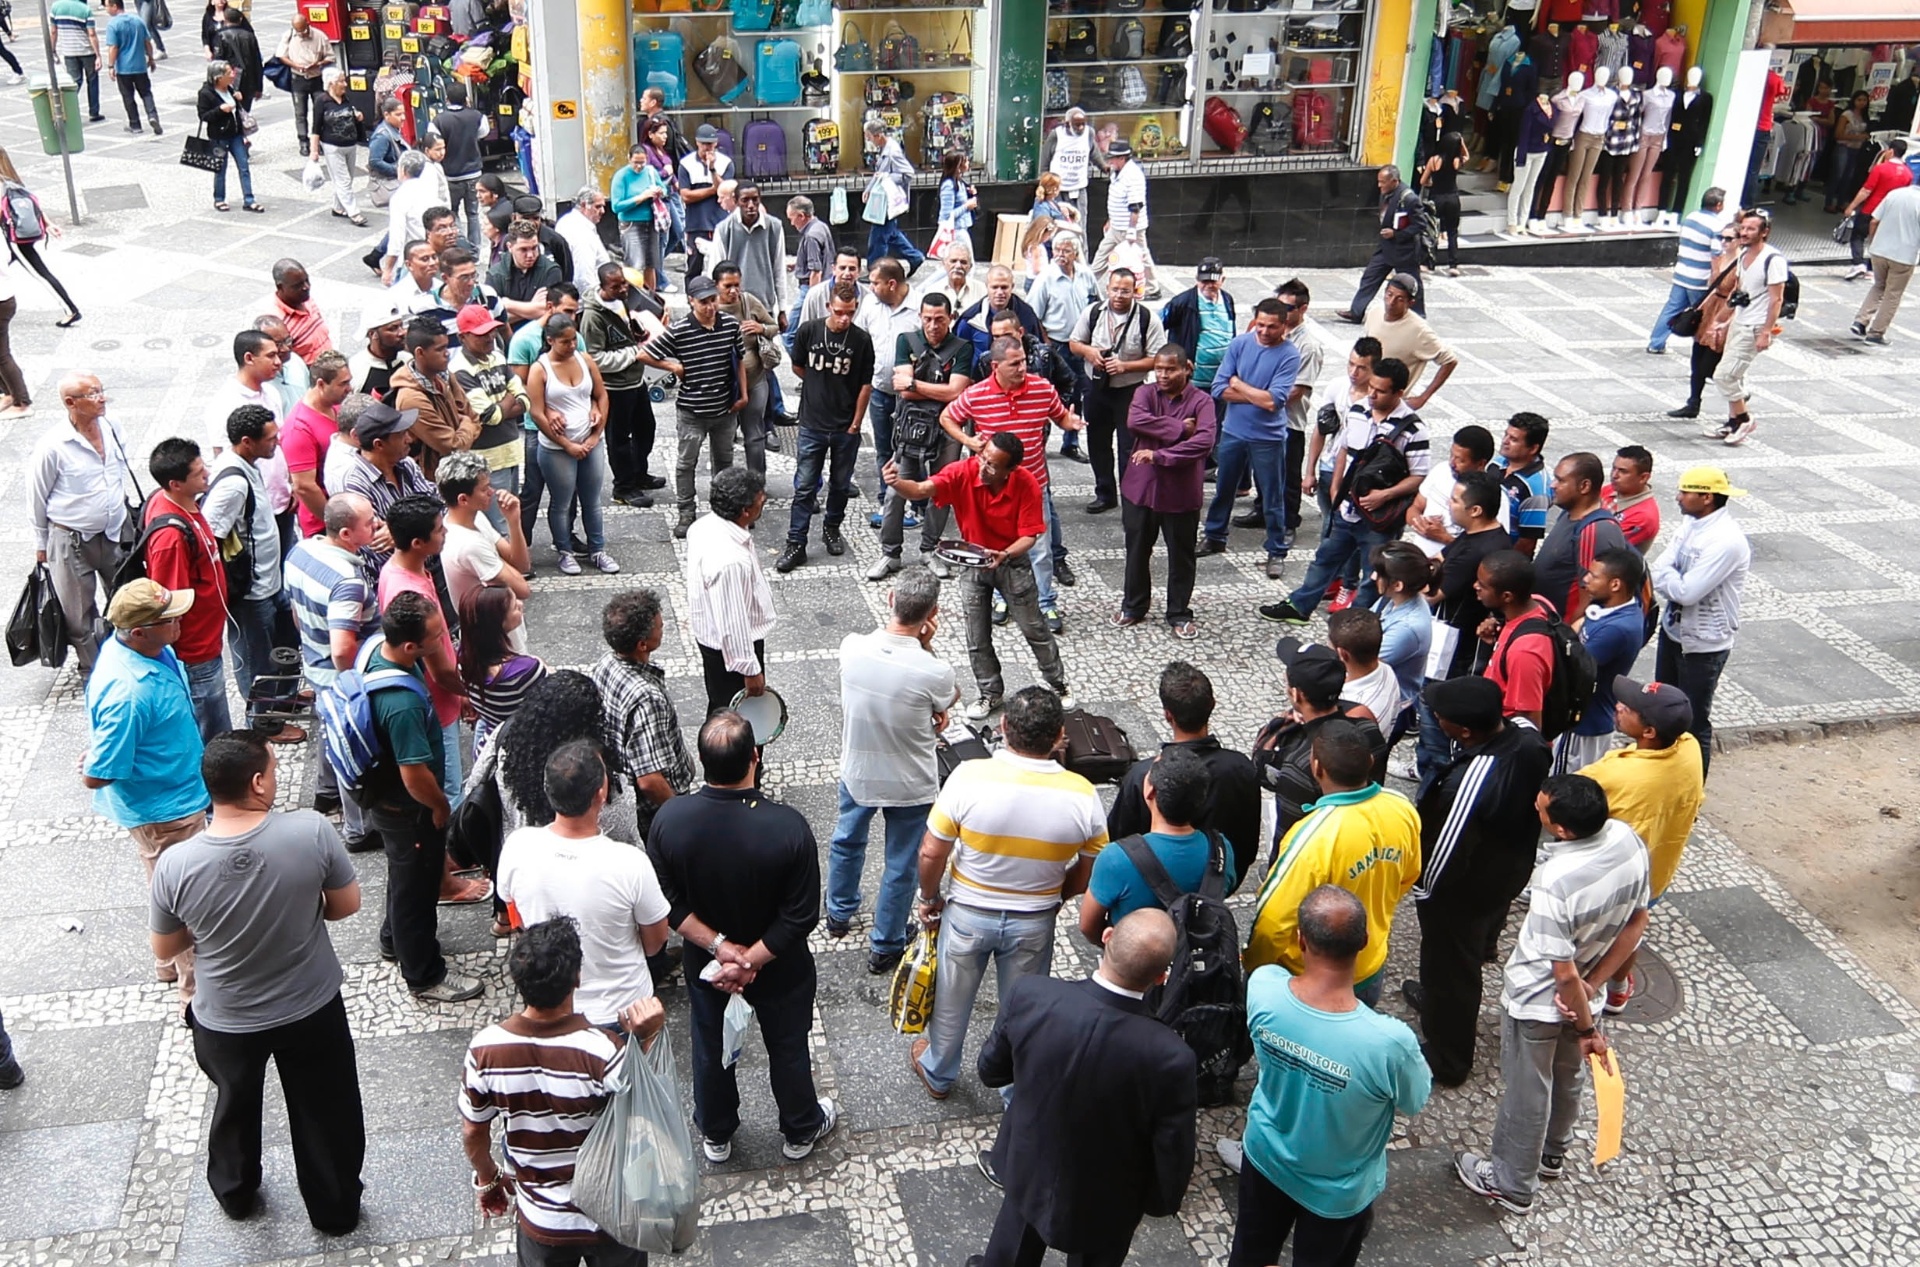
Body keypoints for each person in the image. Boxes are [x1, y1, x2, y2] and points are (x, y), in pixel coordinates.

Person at [151, 731, 364, 1233]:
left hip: (225, 1018)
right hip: (310, 1006)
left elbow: (165, 948)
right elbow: (346, 905)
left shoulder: (176, 863)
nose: (275, 776)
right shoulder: (311, 832)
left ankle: (236, 1192)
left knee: (234, 1106)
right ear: (257, 783)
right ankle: (334, 1209)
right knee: (325, 1109)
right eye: (272, 768)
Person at [648, 712, 839, 1163]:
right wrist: (750, 959)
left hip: (707, 965)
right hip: (780, 965)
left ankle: (715, 1132)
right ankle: (800, 1128)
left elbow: (664, 900)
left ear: (701, 761)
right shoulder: (788, 827)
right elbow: (801, 915)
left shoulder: (670, 819)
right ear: (755, 756)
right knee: (788, 1047)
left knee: (710, 1045)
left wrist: (720, 949)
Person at [1454, 774, 1649, 1214]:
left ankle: (1511, 1183)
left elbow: (1562, 974)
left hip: (1538, 1002)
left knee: (1528, 1091)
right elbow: (1638, 922)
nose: (1535, 809)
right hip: (1585, 997)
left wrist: (1586, 1025)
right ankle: (1552, 1153)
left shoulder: (1555, 879)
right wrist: (1593, 988)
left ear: (1561, 828)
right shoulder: (1627, 840)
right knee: (1568, 1075)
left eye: (1541, 809)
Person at [966, 909, 1197, 1267]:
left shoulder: (1031, 994)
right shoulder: (1171, 1056)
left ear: (1107, 937)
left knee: (1010, 1251)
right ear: (1161, 977)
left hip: (1029, 1161)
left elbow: (991, 1072)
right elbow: (1172, 1147)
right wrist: (1159, 1201)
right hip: (1110, 1195)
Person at [912, 686, 1108, 1101]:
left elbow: (931, 850)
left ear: (1003, 726)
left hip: (968, 915)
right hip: (1034, 920)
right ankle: (1013, 1089)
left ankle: (939, 1071)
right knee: (1022, 1008)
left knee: (950, 1000)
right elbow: (1090, 868)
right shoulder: (1083, 794)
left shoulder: (968, 777)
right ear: (1059, 736)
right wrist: (1055, 896)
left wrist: (929, 897)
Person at [1229, 887, 1430, 1267]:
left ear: (1301, 940)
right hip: (1337, 1192)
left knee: (1251, 1253)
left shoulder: (1265, 987)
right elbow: (1414, 1100)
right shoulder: (1389, 1043)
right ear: (1364, 941)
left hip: (1266, 1157)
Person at [460, 917, 665, 1265]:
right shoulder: (603, 1051)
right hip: (612, 1214)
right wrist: (649, 1037)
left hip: (542, 1221)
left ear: (517, 980)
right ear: (577, 978)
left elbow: (473, 1131)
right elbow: (647, 1113)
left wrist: (488, 1177)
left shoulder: (485, 1051)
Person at [1403, 675, 1551, 1086]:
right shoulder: (1526, 737)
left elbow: (1447, 848)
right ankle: (1446, 989)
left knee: (1451, 967)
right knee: (1479, 937)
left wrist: (1424, 891)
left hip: (1467, 888)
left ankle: (1448, 1058)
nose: (1435, 718)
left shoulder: (1472, 780)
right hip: (1511, 862)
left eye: (1440, 716)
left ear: (1464, 731)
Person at [883, 427, 1074, 716]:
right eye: (983, 458)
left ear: (1010, 470)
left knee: (1034, 628)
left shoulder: (1026, 483)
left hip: (1011, 562)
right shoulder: (962, 471)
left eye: (993, 465)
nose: (983, 467)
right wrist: (897, 483)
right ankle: (989, 693)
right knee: (976, 636)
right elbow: (922, 489)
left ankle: (1057, 683)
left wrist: (1005, 554)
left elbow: (1030, 536)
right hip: (973, 562)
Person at [827, 567, 958, 973]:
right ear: (932, 613)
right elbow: (947, 697)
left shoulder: (851, 647)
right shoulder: (934, 670)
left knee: (847, 841)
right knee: (901, 864)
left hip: (859, 770)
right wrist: (926, 646)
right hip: (910, 782)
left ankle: (838, 912)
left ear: (890, 599)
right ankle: (885, 943)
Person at [356, 590, 484, 1004]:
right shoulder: (402, 706)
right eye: (436, 636)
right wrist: (440, 806)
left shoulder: (377, 647)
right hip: (409, 809)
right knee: (419, 889)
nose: (443, 639)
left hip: (386, 799)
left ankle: (393, 940)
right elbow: (415, 776)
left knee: (403, 873)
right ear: (411, 647)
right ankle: (425, 975)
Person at [83, 580, 208, 1003]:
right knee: (185, 901)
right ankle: (195, 997)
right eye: (169, 618)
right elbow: (99, 773)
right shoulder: (129, 693)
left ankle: (167, 964)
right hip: (165, 810)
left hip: (179, 791)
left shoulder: (153, 650)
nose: (179, 620)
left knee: (165, 888)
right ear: (138, 632)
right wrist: (96, 759)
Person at [1244, 719, 1419, 1008]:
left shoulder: (1312, 836)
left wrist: (1255, 968)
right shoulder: (1401, 808)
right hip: (1369, 965)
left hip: (1312, 978)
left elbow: (1273, 921)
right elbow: (1408, 875)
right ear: (1370, 761)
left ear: (1317, 768)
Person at [497, 741, 672, 1027]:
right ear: (601, 794)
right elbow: (656, 941)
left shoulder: (517, 847)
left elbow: (515, 916)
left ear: (548, 790)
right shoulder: (630, 863)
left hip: (552, 1007)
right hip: (623, 1009)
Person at [1261, 357, 1428, 625]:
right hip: (1347, 509)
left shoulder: (1413, 430)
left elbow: (1418, 476)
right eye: (1371, 387)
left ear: (1399, 393)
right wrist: (1337, 489)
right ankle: (1299, 606)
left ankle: (1355, 622)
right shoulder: (1358, 410)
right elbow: (1344, 451)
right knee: (1325, 558)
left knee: (1374, 573)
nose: (1372, 394)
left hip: (1380, 518)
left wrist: (1384, 496)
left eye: (1381, 390)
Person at [936, 332, 1079, 634]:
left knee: (1040, 549)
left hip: (1033, 484)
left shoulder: (1042, 388)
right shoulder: (977, 394)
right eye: (1014, 363)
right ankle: (1002, 598)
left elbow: (1060, 417)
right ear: (995, 366)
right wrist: (968, 442)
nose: (1022, 368)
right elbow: (948, 417)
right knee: (998, 546)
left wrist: (1072, 422)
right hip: (995, 488)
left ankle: (1045, 602)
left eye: (1024, 361)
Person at [1578, 675, 1704, 1011]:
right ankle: (1619, 988)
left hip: (1608, 880)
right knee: (1633, 926)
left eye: (1629, 708)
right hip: (1657, 870)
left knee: (1603, 934)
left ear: (1649, 732)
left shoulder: (1613, 777)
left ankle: (1589, 989)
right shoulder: (1689, 746)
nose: (1619, 706)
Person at [1107, 662, 1261, 887]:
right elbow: (1247, 845)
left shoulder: (1143, 777)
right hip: (1218, 882)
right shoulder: (1241, 768)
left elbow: (1119, 843)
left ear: (1167, 715)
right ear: (1212, 705)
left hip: (1151, 887)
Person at [203, 405, 303, 741]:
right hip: (252, 591)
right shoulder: (233, 483)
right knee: (255, 658)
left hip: (271, 581)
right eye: (271, 438)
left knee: (282, 644)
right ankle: (263, 724)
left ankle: (283, 699)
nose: (278, 442)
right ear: (247, 441)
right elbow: (211, 535)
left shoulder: (249, 465)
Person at [375, 495, 478, 826]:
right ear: (418, 543)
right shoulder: (410, 592)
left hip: (440, 696)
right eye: (438, 529)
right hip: (437, 702)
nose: (445, 532)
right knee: (449, 789)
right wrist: (470, 693)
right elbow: (440, 670)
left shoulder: (401, 569)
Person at [283, 492, 379, 844]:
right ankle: (359, 829)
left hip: (314, 661)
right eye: (369, 523)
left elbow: (296, 613)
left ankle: (325, 792)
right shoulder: (347, 582)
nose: (377, 525)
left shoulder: (301, 551)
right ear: (346, 534)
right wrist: (355, 680)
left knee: (329, 728)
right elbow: (342, 649)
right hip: (340, 675)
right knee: (351, 743)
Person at [30, 373, 136, 673]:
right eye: (92, 394)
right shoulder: (53, 446)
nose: (101, 398)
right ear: (70, 402)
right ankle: (97, 672)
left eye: (101, 391)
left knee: (129, 601)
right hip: (72, 538)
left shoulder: (112, 426)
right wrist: (41, 543)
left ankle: (131, 660)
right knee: (79, 615)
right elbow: (37, 497)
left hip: (115, 530)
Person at [1651, 466, 1750, 779]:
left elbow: (1688, 591)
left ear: (1706, 498)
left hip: (1704, 645)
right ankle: (1662, 777)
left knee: (1693, 722)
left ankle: (1691, 788)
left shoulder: (1726, 541)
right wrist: (1672, 579)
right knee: (1662, 710)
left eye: (1685, 491)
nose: (1677, 497)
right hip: (1673, 632)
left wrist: (1669, 579)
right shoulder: (1689, 525)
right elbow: (1659, 568)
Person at [869, 292, 976, 580]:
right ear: (920, 317)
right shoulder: (906, 341)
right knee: (895, 491)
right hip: (910, 428)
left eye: (939, 319)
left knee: (941, 490)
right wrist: (934, 390)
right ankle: (890, 553)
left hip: (948, 428)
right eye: (927, 319)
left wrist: (915, 384)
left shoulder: (962, 348)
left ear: (950, 318)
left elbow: (956, 392)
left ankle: (929, 549)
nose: (933, 325)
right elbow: (902, 390)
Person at [1252, 640, 1390, 858]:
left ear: (1296, 694)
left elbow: (1287, 845)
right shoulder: (1368, 730)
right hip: (1363, 845)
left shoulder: (1299, 766)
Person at [1080, 745, 1230, 941]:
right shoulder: (1222, 850)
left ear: (1150, 791)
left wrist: (1113, 947)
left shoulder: (1116, 858)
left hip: (1134, 955)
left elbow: (1087, 925)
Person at [1198, 299, 1303, 578]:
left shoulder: (1290, 355)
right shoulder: (1239, 344)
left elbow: (1274, 402)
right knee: (1224, 489)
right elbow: (1218, 389)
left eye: (1272, 327)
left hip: (1268, 438)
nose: (1265, 331)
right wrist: (1256, 394)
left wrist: (1238, 384)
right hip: (1233, 430)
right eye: (1260, 325)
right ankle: (1214, 535)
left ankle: (1276, 550)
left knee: (1272, 497)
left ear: (1284, 326)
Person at [637, 275, 747, 538]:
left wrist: (743, 395)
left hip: (724, 409)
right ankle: (686, 511)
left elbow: (740, 360)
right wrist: (672, 366)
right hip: (692, 412)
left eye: (713, 300)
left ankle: (723, 510)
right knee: (686, 463)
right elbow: (643, 353)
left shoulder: (730, 325)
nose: (710, 307)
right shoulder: (681, 329)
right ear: (691, 301)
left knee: (724, 462)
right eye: (703, 302)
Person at [1116, 346, 1215, 634]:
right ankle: (1133, 606)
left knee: (1181, 555)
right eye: (1158, 368)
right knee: (1136, 550)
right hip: (1141, 488)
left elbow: (1204, 442)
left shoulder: (1202, 402)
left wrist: (1160, 455)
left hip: (1180, 492)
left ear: (1186, 369)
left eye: (1170, 369)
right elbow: (1135, 421)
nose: (1162, 375)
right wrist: (1180, 429)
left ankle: (1179, 613)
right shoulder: (1144, 393)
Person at [778, 284, 874, 572]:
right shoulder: (809, 331)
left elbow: (865, 384)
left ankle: (832, 527)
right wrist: (817, 386)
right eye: (840, 312)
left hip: (845, 426)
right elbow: (798, 366)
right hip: (813, 423)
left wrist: (856, 423)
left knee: (841, 484)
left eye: (850, 313)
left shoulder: (861, 340)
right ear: (829, 307)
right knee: (805, 486)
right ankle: (796, 542)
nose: (845, 319)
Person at [141, 438, 231, 740]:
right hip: (196, 650)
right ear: (175, 484)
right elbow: (169, 602)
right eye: (197, 473)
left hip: (208, 639)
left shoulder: (180, 500)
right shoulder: (170, 538)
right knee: (213, 731)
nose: (207, 473)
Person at [591, 589, 696, 841]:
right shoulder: (647, 697)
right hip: (654, 811)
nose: (663, 626)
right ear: (642, 644)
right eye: (659, 626)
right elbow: (650, 780)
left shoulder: (605, 663)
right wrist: (680, 817)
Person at [1069, 269, 1168, 515]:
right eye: (1115, 289)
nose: (1119, 295)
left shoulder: (1147, 318)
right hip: (1096, 387)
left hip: (1131, 391)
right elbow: (1074, 343)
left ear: (1135, 292)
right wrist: (1089, 352)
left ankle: (1131, 496)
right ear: (1107, 289)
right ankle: (1105, 493)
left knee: (1129, 446)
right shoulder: (1093, 313)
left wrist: (1125, 366)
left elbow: (1158, 358)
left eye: (1125, 290)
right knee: (1097, 442)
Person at [527, 315, 619, 576]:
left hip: (590, 441)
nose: (571, 346)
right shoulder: (540, 369)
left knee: (592, 500)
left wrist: (595, 433)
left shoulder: (584, 359)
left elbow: (601, 395)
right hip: (556, 448)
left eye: (574, 340)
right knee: (562, 501)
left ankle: (597, 549)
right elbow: (537, 413)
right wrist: (566, 444)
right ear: (550, 340)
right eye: (565, 342)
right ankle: (565, 550)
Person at [684, 466, 776, 717]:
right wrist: (750, 670)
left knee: (721, 704)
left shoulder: (703, 526)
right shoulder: (730, 561)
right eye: (760, 502)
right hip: (729, 651)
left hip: (713, 637)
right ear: (745, 511)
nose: (763, 502)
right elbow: (732, 621)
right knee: (734, 716)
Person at [578, 262, 663, 506]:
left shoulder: (622, 300)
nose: (623, 289)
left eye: (624, 283)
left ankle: (639, 473)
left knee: (646, 429)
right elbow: (595, 358)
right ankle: (623, 488)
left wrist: (637, 334)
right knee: (619, 440)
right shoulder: (593, 317)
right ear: (603, 286)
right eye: (616, 287)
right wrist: (634, 353)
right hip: (615, 387)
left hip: (636, 380)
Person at [1701, 209, 1787, 448]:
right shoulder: (1743, 256)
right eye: (1744, 228)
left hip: (1755, 326)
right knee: (1734, 374)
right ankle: (1733, 421)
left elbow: (1776, 299)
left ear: (1764, 232)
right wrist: (1722, 320)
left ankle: (1744, 419)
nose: (1745, 233)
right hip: (1740, 321)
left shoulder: (1773, 260)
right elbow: (1740, 292)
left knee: (1724, 375)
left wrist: (1766, 332)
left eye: (1751, 229)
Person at [1557, 547, 1645, 774]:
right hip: (1587, 720)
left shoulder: (1617, 629)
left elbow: (1572, 666)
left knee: (1567, 782)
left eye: (1593, 576)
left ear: (1615, 584)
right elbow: (1578, 626)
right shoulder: (1610, 605)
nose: (1585, 580)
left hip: (1585, 726)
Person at [449, 308, 530, 525]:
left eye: (491, 331)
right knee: (499, 526)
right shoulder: (459, 370)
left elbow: (525, 400)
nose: (489, 337)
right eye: (481, 334)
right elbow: (490, 416)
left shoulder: (498, 357)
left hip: (511, 452)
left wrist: (503, 406)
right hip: (487, 460)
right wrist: (510, 398)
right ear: (462, 337)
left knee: (513, 518)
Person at [1532, 451, 1628, 623]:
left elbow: (1590, 597)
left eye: (1560, 480)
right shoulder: (1568, 513)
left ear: (1584, 486)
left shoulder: (1594, 530)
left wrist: (1568, 635)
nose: (1553, 485)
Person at [435, 449, 530, 616]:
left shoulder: (477, 518)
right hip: (494, 628)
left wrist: (513, 522)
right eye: (484, 489)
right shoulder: (467, 544)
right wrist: (501, 561)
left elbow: (522, 565)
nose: (492, 492)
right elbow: (523, 588)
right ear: (463, 499)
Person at [454, 587, 542, 759]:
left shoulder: (465, 659)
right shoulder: (525, 671)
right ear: (499, 623)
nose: (521, 604)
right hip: (521, 752)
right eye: (514, 607)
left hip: (488, 744)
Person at [714, 259, 782, 478]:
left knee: (754, 435)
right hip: (723, 386)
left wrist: (761, 328)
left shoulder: (748, 301)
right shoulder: (710, 308)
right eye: (727, 286)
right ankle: (722, 482)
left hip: (755, 380)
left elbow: (774, 326)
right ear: (716, 286)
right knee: (723, 438)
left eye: (737, 285)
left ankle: (757, 481)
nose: (734, 291)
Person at [389, 318, 479, 477]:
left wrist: (466, 425)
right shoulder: (411, 399)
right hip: (433, 479)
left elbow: (475, 419)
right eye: (440, 349)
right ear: (420, 353)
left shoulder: (444, 376)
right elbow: (452, 447)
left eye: (447, 347)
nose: (447, 353)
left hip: (458, 473)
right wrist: (466, 423)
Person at [1333, 166, 1425, 320]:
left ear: (1394, 181)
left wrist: (1396, 234)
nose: (1379, 185)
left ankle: (1418, 316)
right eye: (1378, 181)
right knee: (1370, 277)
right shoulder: (1385, 193)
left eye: (1383, 182)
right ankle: (1356, 312)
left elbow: (1420, 225)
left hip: (1404, 251)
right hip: (1385, 247)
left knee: (1411, 283)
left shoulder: (1410, 199)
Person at [1646, 186, 1728, 354]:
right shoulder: (1717, 226)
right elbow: (1716, 255)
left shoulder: (1690, 217)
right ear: (1719, 205)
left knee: (1671, 309)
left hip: (1682, 273)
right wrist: (1716, 279)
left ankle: (1656, 343)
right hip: (1700, 279)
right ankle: (1701, 347)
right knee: (1703, 315)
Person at [1361, 275, 1455, 408]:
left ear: (1410, 303)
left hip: (1391, 404)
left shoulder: (1419, 330)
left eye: (1399, 299)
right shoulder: (1374, 312)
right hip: (1365, 396)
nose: (1391, 302)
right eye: (1389, 294)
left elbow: (1450, 361)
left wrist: (1423, 398)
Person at [1851, 170, 1920, 345]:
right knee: (1893, 294)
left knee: (1879, 285)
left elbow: (1874, 220)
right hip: (1904, 255)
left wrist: (1873, 242)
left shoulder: (1894, 194)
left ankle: (1860, 321)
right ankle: (1876, 333)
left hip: (1880, 250)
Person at [1090, 139, 1158, 298]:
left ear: (1122, 158)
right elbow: (1115, 201)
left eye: (1113, 158)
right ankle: (1089, 284)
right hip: (1116, 226)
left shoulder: (1133, 176)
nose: (1110, 161)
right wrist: (1110, 219)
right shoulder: (1117, 173)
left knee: (1141, 256)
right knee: (1102, 254)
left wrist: (1132, 230)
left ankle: (1152, 288)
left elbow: (1135, 206)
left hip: (1130, 228)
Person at [1159, 258, 1234, 390]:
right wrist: (1174, 358)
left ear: (1222, 280)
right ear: (1197, 279)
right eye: (1204, 281)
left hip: (1222, 380)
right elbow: (1157, 327)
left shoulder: (1227, 299)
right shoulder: (1181, 303)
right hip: (1193, 381)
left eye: (1213, 281)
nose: (1208, 285)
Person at [196, 61, 262, 213]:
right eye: (229, 73)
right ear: (218, 77)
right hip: (219, 137)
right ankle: (219, 199)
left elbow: (236, 111)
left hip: (235, 135)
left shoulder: (230, 89)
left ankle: (249, 199)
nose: (233, 75)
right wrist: (220, 110)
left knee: (244, 167)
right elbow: (203, 116)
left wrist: (238, 100)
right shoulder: (206, 93)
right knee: (220, 169)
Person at [308, 70, 366, 227]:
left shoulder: (346, 98)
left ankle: (338, 207)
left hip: (350, 145)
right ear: (331, 84)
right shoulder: (322, 101)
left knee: (348, 179)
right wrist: (314, 151)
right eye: (341, 81)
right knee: (343, 180)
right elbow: (315, 128)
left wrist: (358, 116)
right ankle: (354, 212)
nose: (345, 84)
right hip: (332, 146)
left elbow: (352, 113)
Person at [864, 119, 924, 271]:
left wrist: (887, 178)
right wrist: (869, 188)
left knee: (878, 238)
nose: (868, 140)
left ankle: (876, 269)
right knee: (891, 234)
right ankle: (914, 257)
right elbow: (879, 173)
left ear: (878, 135)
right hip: (883, 199)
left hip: (888, 201)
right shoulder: (885, 148)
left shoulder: (893, 151)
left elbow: (908, 173)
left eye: (869, 137)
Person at [678, 124, 734, 283]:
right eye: (703, 144)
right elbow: (685, 195)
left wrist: (712, 169)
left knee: (723, 266)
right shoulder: (686, 164)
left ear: (716, 143)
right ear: (697, 142)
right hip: (696, 223)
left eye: (710, 144)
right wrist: (713, 190)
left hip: (720, 221)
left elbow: (726, 190)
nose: (707, 148)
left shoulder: (725, 163)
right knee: (693, 266)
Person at [1491, 411, 1551, 557]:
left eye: (1513, 439)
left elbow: (1527, 543)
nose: (1505, 441)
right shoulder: (1496, 464)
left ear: (1533, 448)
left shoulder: (1536, 491)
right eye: (1506, 435)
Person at [486, 225, 564, 329]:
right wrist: (532, 306)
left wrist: (508, 305)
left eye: (534, 248)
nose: (530, 255)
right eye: (523, 250)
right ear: (510, 247)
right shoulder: (496, 274)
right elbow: (491, 318)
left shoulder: (551, 271)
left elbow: (549, 310)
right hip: (508, 335)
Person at [102, 0, 160, 136]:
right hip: (140, 66)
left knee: (128, 96)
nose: (106, 9)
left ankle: (135, 124)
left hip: (124, 68)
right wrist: (151, 58)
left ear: (115, 6)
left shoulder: (113, 24)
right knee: (146, 93)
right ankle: (152, 116)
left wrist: (110, 66)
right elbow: (147, 42)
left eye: (107, 6)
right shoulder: (138, 21)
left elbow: (113, 47)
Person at [277, 8, 331, 153]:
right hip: (298, 78)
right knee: (300, 112)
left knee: (319, 110)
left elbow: (330, 56)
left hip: (316, 78)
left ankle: (317, 140)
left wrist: (318, 64)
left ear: (308, 23)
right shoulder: (289, 36)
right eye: (298, 31)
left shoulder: (319, 36)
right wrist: (296, 65)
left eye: (303, 30)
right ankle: (303, 141)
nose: (301, 34)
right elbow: (281, 55)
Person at [1420, 131, 1468, 275]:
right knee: (1452, 232)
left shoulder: (1434, 160)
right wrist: (1461, 142)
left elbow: (1423, 181)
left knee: (1432, 231)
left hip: (1437, 197)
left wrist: (1431, 183)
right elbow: (1467, 155)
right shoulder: (1457, 161)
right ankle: (1453, 265)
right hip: (1453, 197)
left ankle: (1428, 263)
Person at [50, 0, 104, 122]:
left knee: (74, 82)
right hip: (87, 51)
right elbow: (91, 34)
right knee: (92, 81)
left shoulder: (56, 7)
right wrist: (98, 55)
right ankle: (94, 112)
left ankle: (65, 108)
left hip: (69, 50)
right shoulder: (85, 9)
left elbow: (53, 31)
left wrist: (53, 50)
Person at [1041, 107, 1097, 217]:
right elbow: (1044, 160)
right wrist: (1045, 183)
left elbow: (1094, 152)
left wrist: (1104, 166)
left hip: (1079, 187)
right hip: (1058, 188)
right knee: (1058, 219)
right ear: (1067, 124)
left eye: (1083, 124)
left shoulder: (1089, 133)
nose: (1081, 128)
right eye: (1077, 125)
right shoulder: (1056, 135)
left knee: (1079, 220)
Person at [554, 186, 613, 292]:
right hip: (588, 294)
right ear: (583, 205)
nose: (603, 211)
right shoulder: (580, 232)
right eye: (598, 207)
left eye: (603, 206)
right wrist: (592, 298)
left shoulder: (567, 220)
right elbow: (584, 276)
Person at [1602, 445, 1660, 550]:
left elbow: (1606, 545)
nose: (1614, 475)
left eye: (1623, 471)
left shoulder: (1643, 516)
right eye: (1614, 468)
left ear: (1643, 478)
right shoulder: (1610, 489)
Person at [211, 5, 262, 107]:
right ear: (240, 19)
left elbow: (218, 61)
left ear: (225, 19)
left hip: (228, 78)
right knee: (244, 110)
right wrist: (259, 87)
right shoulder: (249, 36)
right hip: (248, 79)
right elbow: (257, 62)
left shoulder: (220, 36)